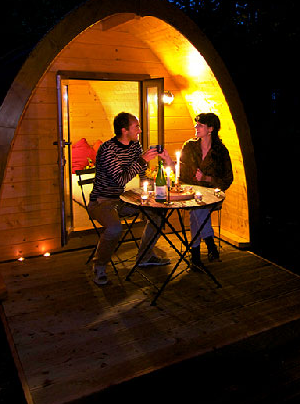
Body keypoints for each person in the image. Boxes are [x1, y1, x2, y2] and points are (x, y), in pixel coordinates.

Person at [88, 112, 171, 286]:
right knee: (115, 228)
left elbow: (142, 175)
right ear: (124, 130)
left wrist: (157, 181)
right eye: (137, 127)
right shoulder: (108, 149)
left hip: (122, 199)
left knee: (157, 214)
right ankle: (99, 267)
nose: (139, 131)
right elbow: (120, 179)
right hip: (102, 201)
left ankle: (145, 257)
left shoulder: (135, 146)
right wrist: (142, 160)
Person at [178, 113, 234, 268]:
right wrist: (170, 163)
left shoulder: (221, 152)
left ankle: (196, 253)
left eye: (200, 125)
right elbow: (181, 170)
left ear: (211, 129)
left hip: (212, 193)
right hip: (191, 191)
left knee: (197, 212)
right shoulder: (189, 146)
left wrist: (207, 178)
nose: (195, 127)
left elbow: (227, 179)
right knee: (196, 211)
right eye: (196, 124)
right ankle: (209, 246)